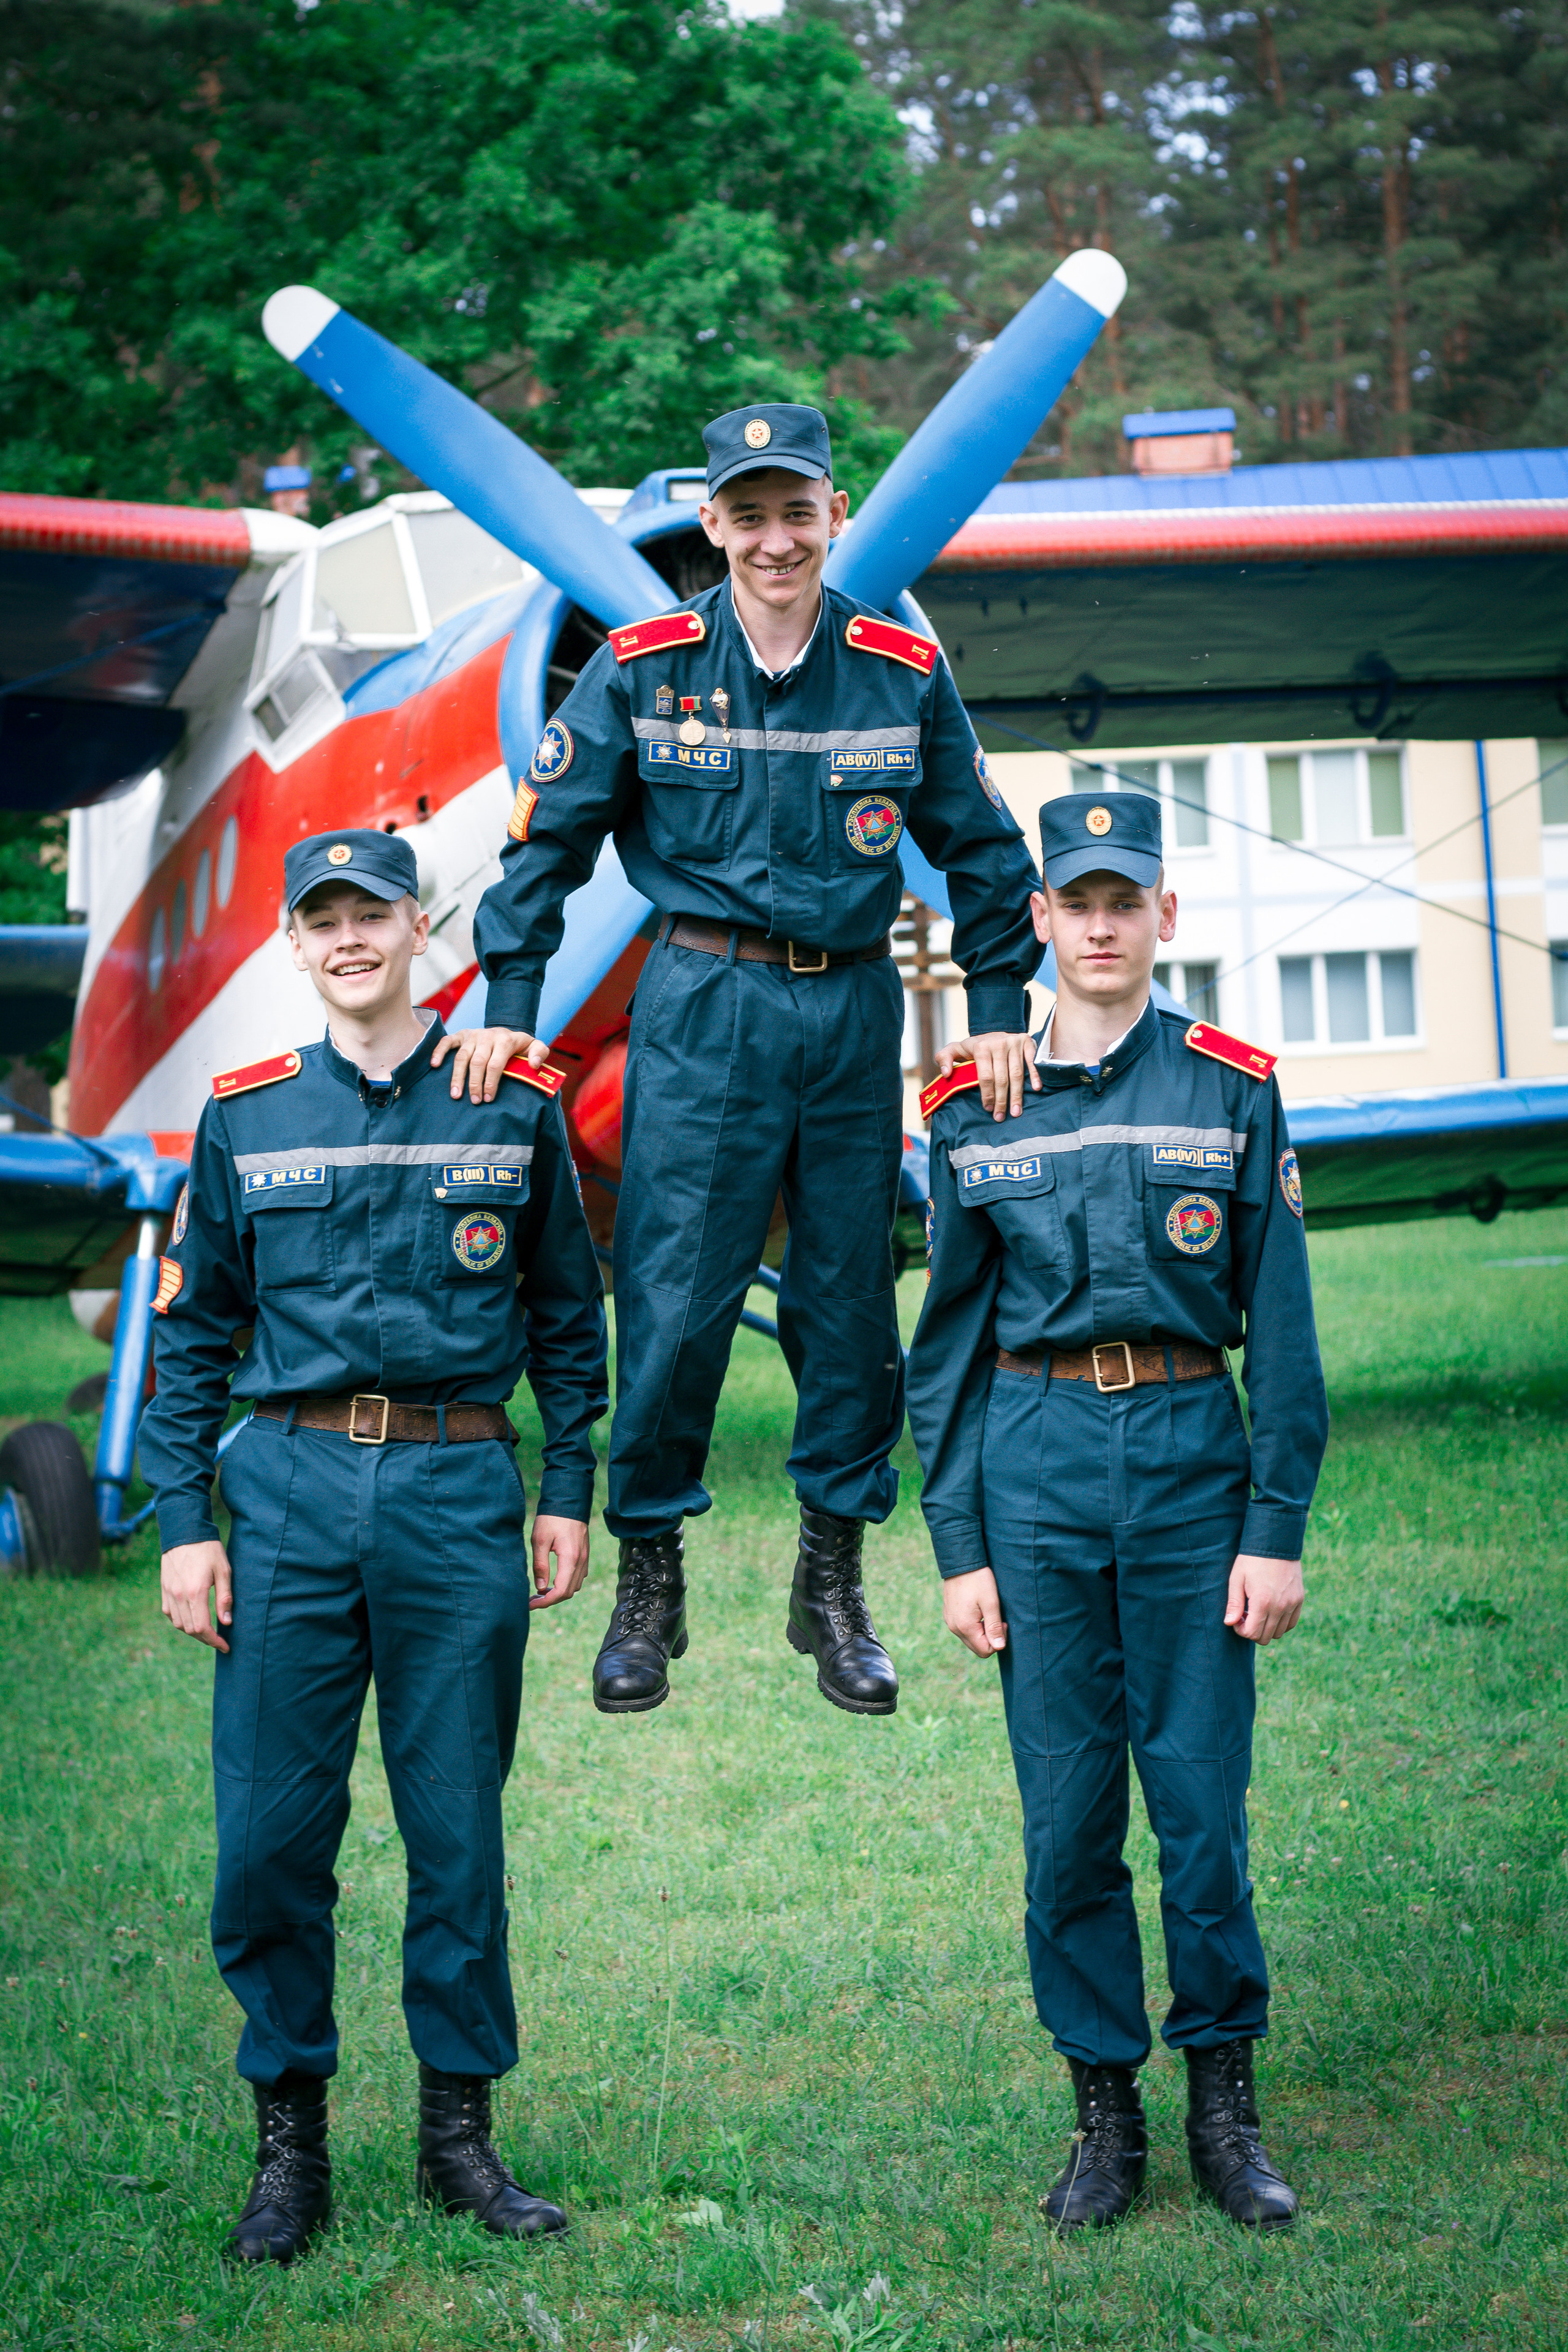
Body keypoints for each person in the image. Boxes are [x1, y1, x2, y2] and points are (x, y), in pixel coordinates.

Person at [433, 401, 1042, 1721]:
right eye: (749, 515)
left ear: (834, 515)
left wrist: (998, 1003)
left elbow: (987, 849)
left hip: (850, 1008)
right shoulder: (640, 668)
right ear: (712, 524)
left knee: (850, 1304)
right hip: (701, 1004)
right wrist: (512, 1002)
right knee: (670, 1300)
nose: (776, 540)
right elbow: (545, 846)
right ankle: (647, 1586)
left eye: (797, 512)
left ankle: (833, 1585)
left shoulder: (899, 670)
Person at [141, 827, 607, 2266]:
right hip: (284, 1496)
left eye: (373, 915)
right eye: (323, 919)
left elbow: (566, 1316)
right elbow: (193, 1336)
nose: (350, 939)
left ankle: (457, 2140)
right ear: (295, 943)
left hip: (455, 1493)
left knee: (456, 1834)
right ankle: (290, 2150)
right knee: (268, 1843)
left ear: (419, 929)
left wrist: (565, 1487)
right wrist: (184, 1526)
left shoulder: (510, 1104)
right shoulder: (246, 1113)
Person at [907, 790, 1327, 2234]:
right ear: (1037, 919)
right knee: (1068, 1823)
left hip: (1188, 1466)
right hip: (1030, 1472)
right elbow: (944, 1352)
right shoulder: (973, 1108)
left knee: (1199, 1811)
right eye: (1074, 902)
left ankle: (1223, 2106)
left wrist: (1272, 1527)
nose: (1099, 926)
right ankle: (1103, 2115)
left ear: (1164, 915)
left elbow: (1282, 1332)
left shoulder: (1230, 1088)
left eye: (1122, 901)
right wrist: (957, 1548)